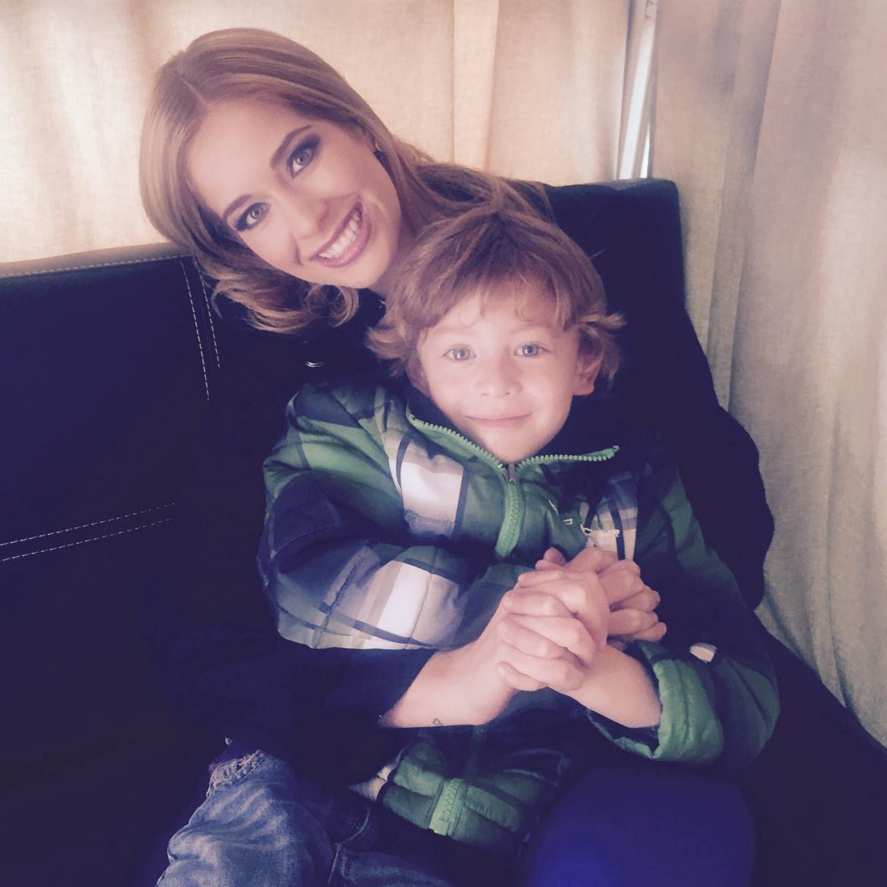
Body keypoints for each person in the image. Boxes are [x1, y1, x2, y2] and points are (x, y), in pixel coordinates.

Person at [139, 28, 774, 886]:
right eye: (250, 213)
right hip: (328, 756)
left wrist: (608, 619)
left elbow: (719, 514)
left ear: (355, 123)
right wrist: (501, 631)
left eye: (300, 155)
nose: (307, 220)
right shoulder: (295, 367)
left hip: (531, 760)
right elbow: (209, 621)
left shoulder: (579, 250)